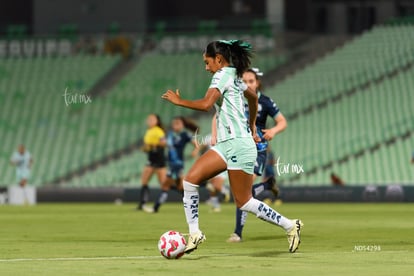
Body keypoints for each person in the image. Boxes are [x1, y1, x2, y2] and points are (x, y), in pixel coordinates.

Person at [162, 39, 303, 254]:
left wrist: (180, 102)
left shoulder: (222, 75)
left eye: (207, 62)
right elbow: (254, 99)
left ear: (218, 59)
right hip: (227, 144)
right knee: (190, 181)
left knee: (244, 201)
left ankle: (290, 225)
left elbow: (207, 104)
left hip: (239, 146)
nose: (206, 67)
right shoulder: (235, 77)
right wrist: (253, 125)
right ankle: (194, 234)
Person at [227, 67, 287, 243]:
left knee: (243, 191)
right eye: (244, 81)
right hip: (237, 148)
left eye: (251, 81)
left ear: (257, 82)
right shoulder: (235, 99)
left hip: (257, 149)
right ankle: (267, 185)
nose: (247, 84)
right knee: (242, 192)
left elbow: (282, 121)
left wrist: (274, 131)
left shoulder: (265, 102)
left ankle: (237, 233)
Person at [144, 116, 199, 213]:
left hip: (177, 163)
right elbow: (163, 143)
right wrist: (154, 144)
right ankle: (192, 204)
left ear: (183, 125)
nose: (175, 125)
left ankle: (155, 208)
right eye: (174, 123)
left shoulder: (185, 134)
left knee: (165, 186)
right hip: (170, 163)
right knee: (180, 187)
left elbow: (196, 144)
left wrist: (195, 151)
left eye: (178, 123)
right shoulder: (169, 134)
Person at [137, 114, 167, 210]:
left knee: (164, 183)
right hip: (151, 158)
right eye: (148, 119)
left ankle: (184, 193)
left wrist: (153, 144)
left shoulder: (158, 131)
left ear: (157, 121)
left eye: (152, 119)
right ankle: (142, 204)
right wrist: (146, 148)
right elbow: (148, 146)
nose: (149, 120)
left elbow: (164, 142)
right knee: (144, 180)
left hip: (159, 159)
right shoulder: (148, 131)